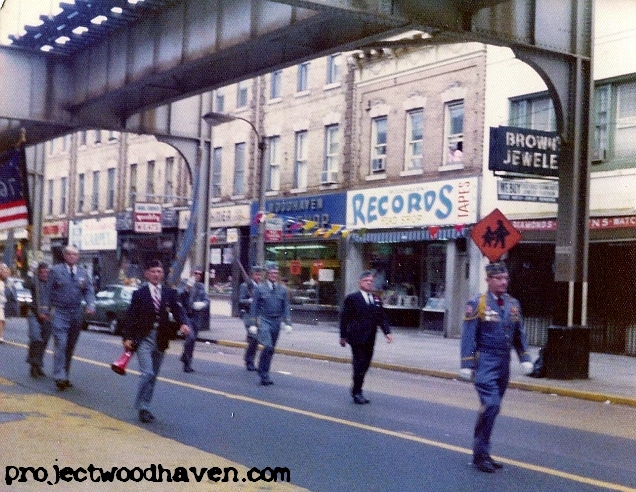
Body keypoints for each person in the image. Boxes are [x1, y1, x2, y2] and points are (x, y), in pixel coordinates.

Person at [460, 261, 534, 473]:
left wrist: (525, 358)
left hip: (504, 364)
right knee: (491, 405)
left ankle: (483, 452)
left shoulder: (513, 304)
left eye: (506, 278)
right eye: (499, 279)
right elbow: (468, 335)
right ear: (488, 280)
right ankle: (480, 454)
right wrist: (466, 363)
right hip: (485, 361)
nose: (503, 282)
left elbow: (519, 334)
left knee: (492, 409)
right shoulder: (478, 303)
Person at [121, 259, 190, 423]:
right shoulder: (139, 294)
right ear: (146, 274)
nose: (156, 274)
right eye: (153, 271)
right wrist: (127, 338)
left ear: (162, 274)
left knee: (154, 376)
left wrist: (184, 323)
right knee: (147, 373)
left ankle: (145, 407)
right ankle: (141, 406)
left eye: (159, 271)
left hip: (161, 338)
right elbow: (131, 317)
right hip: (144, 338)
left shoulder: (169, 293)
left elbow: (178, 310)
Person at [339, 270, 393, 404]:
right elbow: (344, 318)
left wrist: (387, 332)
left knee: (366, 365)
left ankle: (357, 388)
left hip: (370, 338)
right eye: (366, 281)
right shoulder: (352, 298)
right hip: (356, 338)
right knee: (359, 364)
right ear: (360, 283)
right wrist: (343, 336)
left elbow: (381, 317)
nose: (369, 283)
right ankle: (357, 392)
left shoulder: (375, 299)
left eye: (371, 281)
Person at [48, 246, 96, 391]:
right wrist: (45, 309)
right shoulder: (56, 270)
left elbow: (88, 290)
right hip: (59, 312)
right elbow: (47, 290)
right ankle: (59, 376)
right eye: (68, 254)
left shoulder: (82, 272)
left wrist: (91, 304)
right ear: (64, 256)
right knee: (60, 344)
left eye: (74, 254)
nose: (71, 256)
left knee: (70, 346)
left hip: (76, 313)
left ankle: (65, 375)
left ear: (78, 256)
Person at [248, 261, 292, 386]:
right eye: (272, 273)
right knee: (267, 346)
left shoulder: (282, 290)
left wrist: (288, 323)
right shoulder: (260, 289)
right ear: (267, 274)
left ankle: (265, 372)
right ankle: (263, 373)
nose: (274, 275)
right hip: (264, 320)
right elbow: (254, 307)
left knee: (271, 349)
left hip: (276, 322)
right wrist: (252, 324)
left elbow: (286, 307)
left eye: (276, 273)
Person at [25, 262, 52, 378]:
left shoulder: (52, 284)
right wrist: (31, 271)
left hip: (48, 316)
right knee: (36, 338)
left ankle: (37, 365)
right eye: (42, 272)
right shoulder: (34, 282)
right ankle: (33, 364)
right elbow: (26, 283)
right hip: (34, 314)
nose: (44, 274)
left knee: (44, 341)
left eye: (47, 272)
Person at [179, 266, 209, 373]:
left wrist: (202, 304)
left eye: (200, 274)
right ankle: (186, 360)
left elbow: (206, 300)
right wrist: (187, 287)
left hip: (196, 316)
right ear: (191, 273)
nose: (198, 275)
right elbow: (179, 296)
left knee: (192, 341)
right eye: (196, 273)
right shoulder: (184, 282)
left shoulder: (201, 286)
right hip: (186, 315)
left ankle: (187, 360)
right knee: (190, 337)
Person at [238, 265, 262, 371]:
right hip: (248, 315)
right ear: (252, 275)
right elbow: (240, 300)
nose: (258, 276)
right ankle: (249, 361)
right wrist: (249, 301)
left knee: (255, 339)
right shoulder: (245, 286)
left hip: (257, 315)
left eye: (259, 275)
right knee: (254, 338)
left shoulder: (261, 286)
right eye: (256, 274)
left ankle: (250, 360)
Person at [0, 264, 7, 343]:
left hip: (2, 303)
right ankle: (1, 337)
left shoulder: (4, 282)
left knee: (2, 320)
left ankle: (1, 336)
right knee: (1, 319)